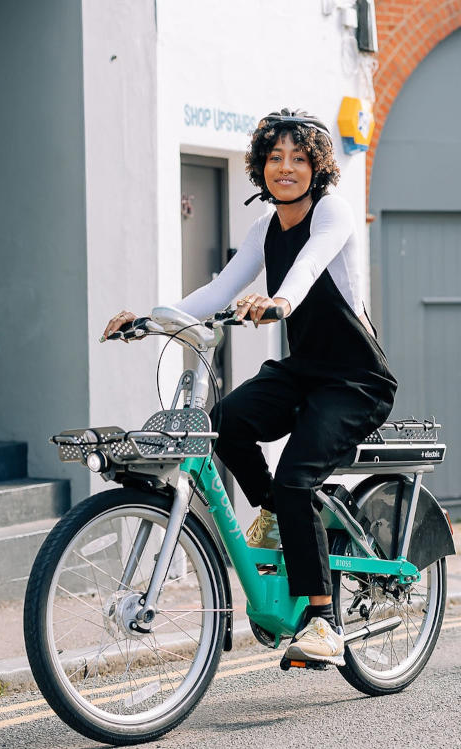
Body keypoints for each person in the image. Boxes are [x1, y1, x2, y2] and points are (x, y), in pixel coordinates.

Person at [103, 110, 396, 668]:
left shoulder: (330, 212)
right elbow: (220, 289)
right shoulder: (265, 227)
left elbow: (309, 268)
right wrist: (148, 318)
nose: (285, 168)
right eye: (274, 158)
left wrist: (280, 301)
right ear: (261, 166)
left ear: (318, 168)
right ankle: (278, 512)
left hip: (356, 379)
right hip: (304, 369)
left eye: (299, 159)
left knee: (296, 478)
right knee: (228, 424)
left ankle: (322, 621)